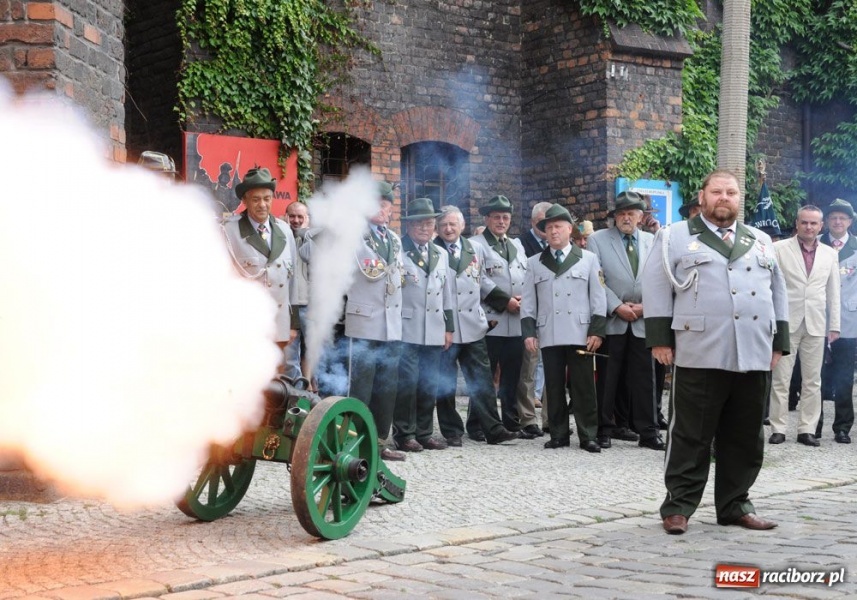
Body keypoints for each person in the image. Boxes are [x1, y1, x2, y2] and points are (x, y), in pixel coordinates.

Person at [643, 169, 789, 535]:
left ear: (740, 199)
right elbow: (657, 287)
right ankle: (678, 506)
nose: (724, 198)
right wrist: (660, 339)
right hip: (700, 348)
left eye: (732, 193)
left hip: (753, 349)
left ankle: (736, 504)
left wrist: (779, 342)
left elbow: (777, 292)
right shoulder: (674, 236)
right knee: (690, 433)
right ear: (702, 197)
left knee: (745, 434)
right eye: (717, 192)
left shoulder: (760, 240)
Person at [521, 204, 607, 453]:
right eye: (549, 228)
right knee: (554, 386)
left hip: (580, 332)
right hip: (550, 331)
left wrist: (597, 330)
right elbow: (528, 301)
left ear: (570, 229)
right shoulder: (535, 262)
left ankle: (588, 434)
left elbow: (598, 297)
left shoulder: (588, 259)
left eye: (558, 226)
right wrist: (528, 332)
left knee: (583, 387)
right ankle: (558, 434)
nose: (553, 232)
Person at [433, 206, 520, 446]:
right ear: (437, 228)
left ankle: (493, 428)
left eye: (453, 224)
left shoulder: (476, 248)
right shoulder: (433, 250)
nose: (448, 229)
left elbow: (482, 282)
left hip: (473, 325)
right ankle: (452, 431)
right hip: (446, 327)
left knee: (482, 379)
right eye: (443, 225)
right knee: (446, 382)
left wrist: (505, 301)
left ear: (462, 226)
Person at [587, 191, 664, 450]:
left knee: (645, 379)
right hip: (614, 318)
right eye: (621, 213)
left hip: (643, 318)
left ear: (641, 217)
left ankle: (649, 432)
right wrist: (617, 306)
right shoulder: (597, 240)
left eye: (631, 213)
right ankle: (604, 429)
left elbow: (659, 280)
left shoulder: (652, 241)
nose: (626, 217)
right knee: (608, 378)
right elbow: (597, 280)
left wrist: (645, 307)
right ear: (614, 217)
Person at [343, 181, 406, 461]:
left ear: (391, 208)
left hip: (391, 322)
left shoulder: (394, 239)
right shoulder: (353, 236)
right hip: (364, 320)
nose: (380, 209)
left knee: (387, 387)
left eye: (385, 204)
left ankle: (380, 443)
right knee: (360, 386)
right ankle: (353, 443)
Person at [768, 206, 840, 446]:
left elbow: (834, 292)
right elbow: (771, 287)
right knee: (781, 379)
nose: (809, 227)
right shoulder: (778, 249)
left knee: (813, 380)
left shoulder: (830, 254)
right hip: (786, 321)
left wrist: (835, 325)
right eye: (805, 222)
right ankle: (778, 428)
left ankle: (806, 429)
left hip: (817, 323)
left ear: (821, 226)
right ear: (796, 223)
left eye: (814, 223)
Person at [470, 195, 539, 438]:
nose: (501, 221)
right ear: (487, 218)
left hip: (516, 321)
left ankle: (510, 421)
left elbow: (526, 275)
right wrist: (504, 300)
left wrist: (523, 299)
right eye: (496, 217)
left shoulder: (516, 245)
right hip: (491, 319)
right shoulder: (475, 244)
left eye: (505, 217)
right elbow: (477, 279)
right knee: (485, 375)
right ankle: (477, 423)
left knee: (512, 374)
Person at [392, 198, 455, 451]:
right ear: (409, 226)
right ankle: (404, 434)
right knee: (407, 383)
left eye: (429, 223)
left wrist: (448, 327)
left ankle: (424, 431)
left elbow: (447, 292)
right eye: (419, 223)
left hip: (434, 327)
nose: (425, 228)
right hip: (407, 327)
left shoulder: (440, 253)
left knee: (429, 382)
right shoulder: (398, 249)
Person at [222, 167, 299, 363]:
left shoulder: (285, 230)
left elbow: (294, 281)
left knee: (279, 385)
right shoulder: (229, 232)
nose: (262, 205)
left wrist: (293, 324)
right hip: (246, 327)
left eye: (267, 198)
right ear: (245, 201)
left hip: (279, 325)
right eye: (256, 199)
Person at [819, 199, 857, 444]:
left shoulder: (856, 248)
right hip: (817, 319)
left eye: (842, 218)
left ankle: (842, 427)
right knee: (814, 377)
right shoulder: (816, 244)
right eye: (833, 217)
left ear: (850, 222)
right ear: (826, 221)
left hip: (848, 320)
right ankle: (813, 425)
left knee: (844, 377)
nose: (837, 221)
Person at [517, 202, 553, 430]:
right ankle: (528, 418)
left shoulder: (558, 247)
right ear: (533, 222)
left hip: (552, 315)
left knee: (552, 370)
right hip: (533, 312)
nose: (547, 228)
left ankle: (552, 419)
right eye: (542, 223)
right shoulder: (522, 244)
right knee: (529, 369)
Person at [283, 201, 311, 382]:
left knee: (311, 352)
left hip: (310, 306)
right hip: (289, 306)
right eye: (292, 216)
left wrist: (306, 235)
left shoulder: (314, 239)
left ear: (307, 219)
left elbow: (309, 256)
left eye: (301, 217)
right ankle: (295, 391)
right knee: (290, 354)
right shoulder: (280, 237)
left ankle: (310, 387)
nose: (296, 220)